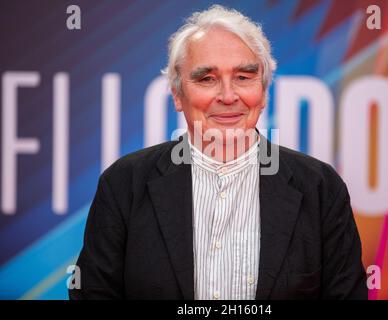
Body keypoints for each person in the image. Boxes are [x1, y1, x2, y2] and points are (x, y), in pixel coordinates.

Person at [69, 5, 367, 300]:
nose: (227, 96)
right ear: (177, 94)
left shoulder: (320, 188)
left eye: (243, 77)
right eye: (206, 79)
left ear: (263, 92)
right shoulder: (124, 184)